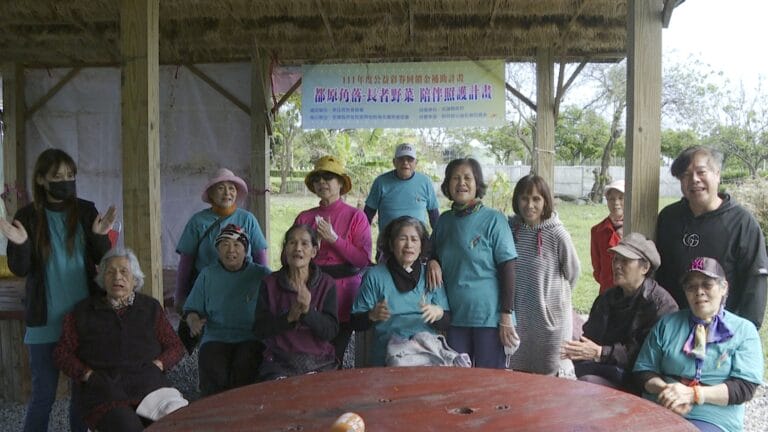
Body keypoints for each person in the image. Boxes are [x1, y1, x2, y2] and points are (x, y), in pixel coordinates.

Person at [0, 148, 115, 432]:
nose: (66, 181)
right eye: (58, 176)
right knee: (43, 395)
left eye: (70, 175)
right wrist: (20, 244)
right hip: (44, 320)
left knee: (82, 393)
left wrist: (101, 237)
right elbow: (20, 269)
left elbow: (102, 258)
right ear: (41, 179)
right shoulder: (27, 216)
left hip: (83, 319)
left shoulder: (86, 210)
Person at [53, 248, 187, 432]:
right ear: (102, 279)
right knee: (128, 427)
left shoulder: (150, 308)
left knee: (181, 424)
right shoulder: (83, 312)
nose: (117, 277)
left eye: (124, 271)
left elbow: (175, 346)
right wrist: (88, 375)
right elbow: (61, 353)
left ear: (135, 279)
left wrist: (158, 365)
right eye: (110, 272)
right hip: (106, 392)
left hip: (150, 386)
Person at [634, 257, 764, 432]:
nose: (699, 292)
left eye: (707, 285)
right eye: (691, 287)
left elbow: (744, 388)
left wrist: (693, 394)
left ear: (724, 288)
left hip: (712, 417)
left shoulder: (744, 331)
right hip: (661, 408)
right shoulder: (667, 324)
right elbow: (643, 371)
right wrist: (669, 391)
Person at [655, 146, 768, 329]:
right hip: (674, 328)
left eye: (701, 172)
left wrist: (745, 331)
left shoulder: (741, 222)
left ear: (717, 174)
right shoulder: (668, 218)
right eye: (686, 175)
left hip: (723, 329)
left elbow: (755, 281)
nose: (694, 179)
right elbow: (659, 273)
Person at [428, 158, 518, 369]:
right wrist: (432, 261)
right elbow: (429, 251)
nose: (462, 183)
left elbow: (508, 268)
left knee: (489, 381)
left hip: (489, 319)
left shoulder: (494, 219)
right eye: (455, 178)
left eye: (468, 178)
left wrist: (506, 315)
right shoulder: (444, 221)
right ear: (447, 184)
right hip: (455, 317)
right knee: (457, 380)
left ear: (477, 183)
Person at [562, 233, 678, 392]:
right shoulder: (606, 298)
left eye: (625, 261)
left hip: (640, 381)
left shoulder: (662, 306)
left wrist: (601, 352)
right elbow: (590, 338)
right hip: (605, 370)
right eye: (615, 259)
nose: (617, 265)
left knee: (587, 383)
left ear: (645, 268)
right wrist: (576, 350)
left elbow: (645, 357)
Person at [294, 156, 372, 365]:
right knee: (309, 352)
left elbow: (362, 260)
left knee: (335, 354)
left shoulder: (356, 216)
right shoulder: (304, 218)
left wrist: (334, 239)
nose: (322, 182)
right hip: (311, 289)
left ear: (340, 183)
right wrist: (312, 247)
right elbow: (289, 256)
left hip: (344, 293)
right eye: (317, 178)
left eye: (328, 177)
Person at [183, 224, 271, 396]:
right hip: (216, 335)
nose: (231, 250)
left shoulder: (262, 274)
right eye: (225, 244)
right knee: (214, 369)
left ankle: (242, 408)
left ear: (245, 249)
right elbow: (191, 309)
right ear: (218, 249)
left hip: (251, 336)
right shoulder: (208, 275)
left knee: (245, 369)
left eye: (237, 245)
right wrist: (193, 322)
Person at [351, 216, 451, 366]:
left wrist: (438, 313)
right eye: (402, 239)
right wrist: (372, 315)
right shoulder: (375, 276)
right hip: (388, 356)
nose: (409, 245)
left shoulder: (431, 274)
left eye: (414, 239)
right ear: (391, 244)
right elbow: (355, 322)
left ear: (421, 246)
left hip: (426, 353)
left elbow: (446, 321)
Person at [507, 174, 580, 376]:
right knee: (520, 371)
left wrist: (553, 300)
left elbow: (573, 272)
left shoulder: (557, 234)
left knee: (550, 375)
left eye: (536, 199)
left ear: (545, 201)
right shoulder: (510, 230)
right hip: (520, 318)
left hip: (551, 321)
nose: (529, 205)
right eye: (524, 198)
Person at [175, 167, 268, 310]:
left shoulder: (247, 219)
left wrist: (266, 292)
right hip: (207, 292)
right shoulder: (198, 221)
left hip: (244, 290)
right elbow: (186, 262)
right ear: (211, 194)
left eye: (231, 188)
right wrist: (180, 296)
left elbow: (260, 258)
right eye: (220, 188)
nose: (227, 193)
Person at [253, 225, 339, 380]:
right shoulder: (269, 283)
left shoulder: (327, 284)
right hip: (280, 362)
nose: (298, 248)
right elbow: (260, 330)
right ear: (285, 249)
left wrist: (308, 312)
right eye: (292, 243)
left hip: (319, 362)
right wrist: (289, 318)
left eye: (304, 243)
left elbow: (330, 332)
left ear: (314, 251)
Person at [364, 143, 439, 245]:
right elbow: (367, 216)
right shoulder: (381, 182)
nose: (405, 163)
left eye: (410, 159)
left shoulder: (425, 182)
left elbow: (434, 217)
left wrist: (437, 243)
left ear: (416, 162)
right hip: (387, 245)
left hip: (418, 246)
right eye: (401, 159)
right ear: (394, 162)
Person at [590, 179, 624, 295]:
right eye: (611, 199)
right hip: (607, 292)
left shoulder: (635, 228)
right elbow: (597, 267)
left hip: (631, 292)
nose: (616, 203)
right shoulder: (597, 231)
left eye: (621, 198)